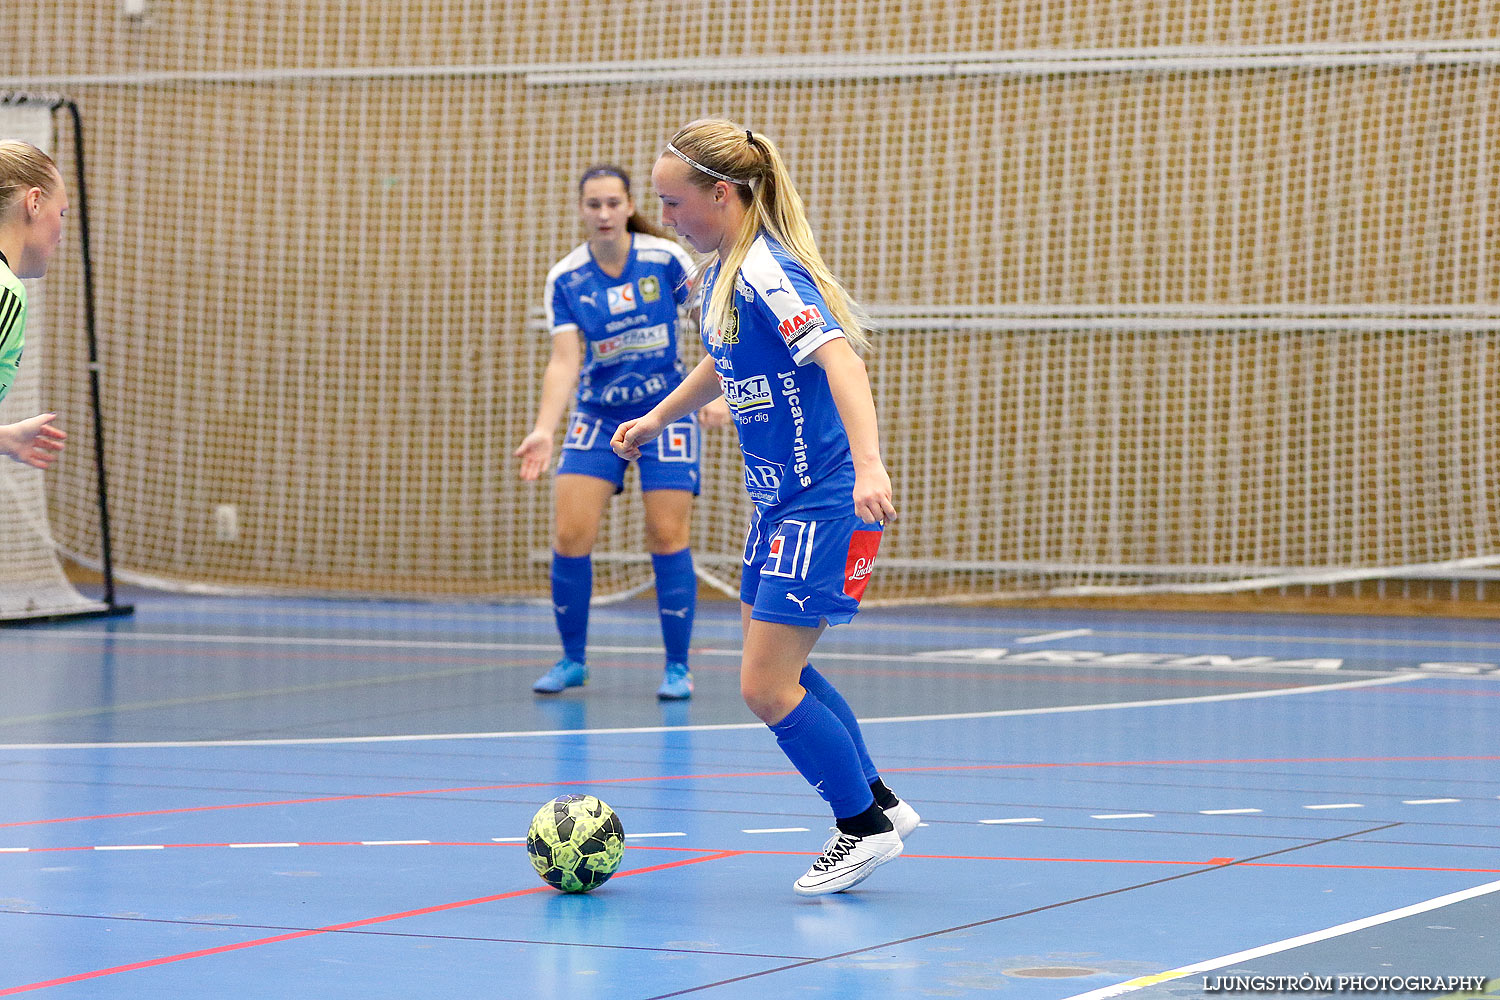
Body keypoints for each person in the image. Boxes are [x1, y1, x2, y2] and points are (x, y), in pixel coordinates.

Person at [612, 119, 918, 895]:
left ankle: (861, 826)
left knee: (764, 686)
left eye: (674, 203)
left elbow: (840, 359)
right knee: (779, 665)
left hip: (822, 499)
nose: (666, 218)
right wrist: (659, 416)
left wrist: (870, 467)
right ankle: (876, 800)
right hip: (776, 504)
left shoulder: (767, 272)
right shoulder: (718, 274)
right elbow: (726, 363)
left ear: (723, 195)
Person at [515, 164, 728, 700]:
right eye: (594, 205)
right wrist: (544, 429)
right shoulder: (567, 279)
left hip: (665, 410)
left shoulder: (665, 260)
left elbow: (714, 327)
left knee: (666, 534)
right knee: (570, 535)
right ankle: (572, 660)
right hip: (598, 413)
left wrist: (720, 391)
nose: (604, 213)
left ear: (630, 205)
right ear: (582, 210)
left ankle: (678, 666)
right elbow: (565, 361)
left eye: (614, 203)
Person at [0, 140, 68, 469]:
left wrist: (4, 438)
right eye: (62, 213)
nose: (60, 233)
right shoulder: (4, 291)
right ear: (35, 203)